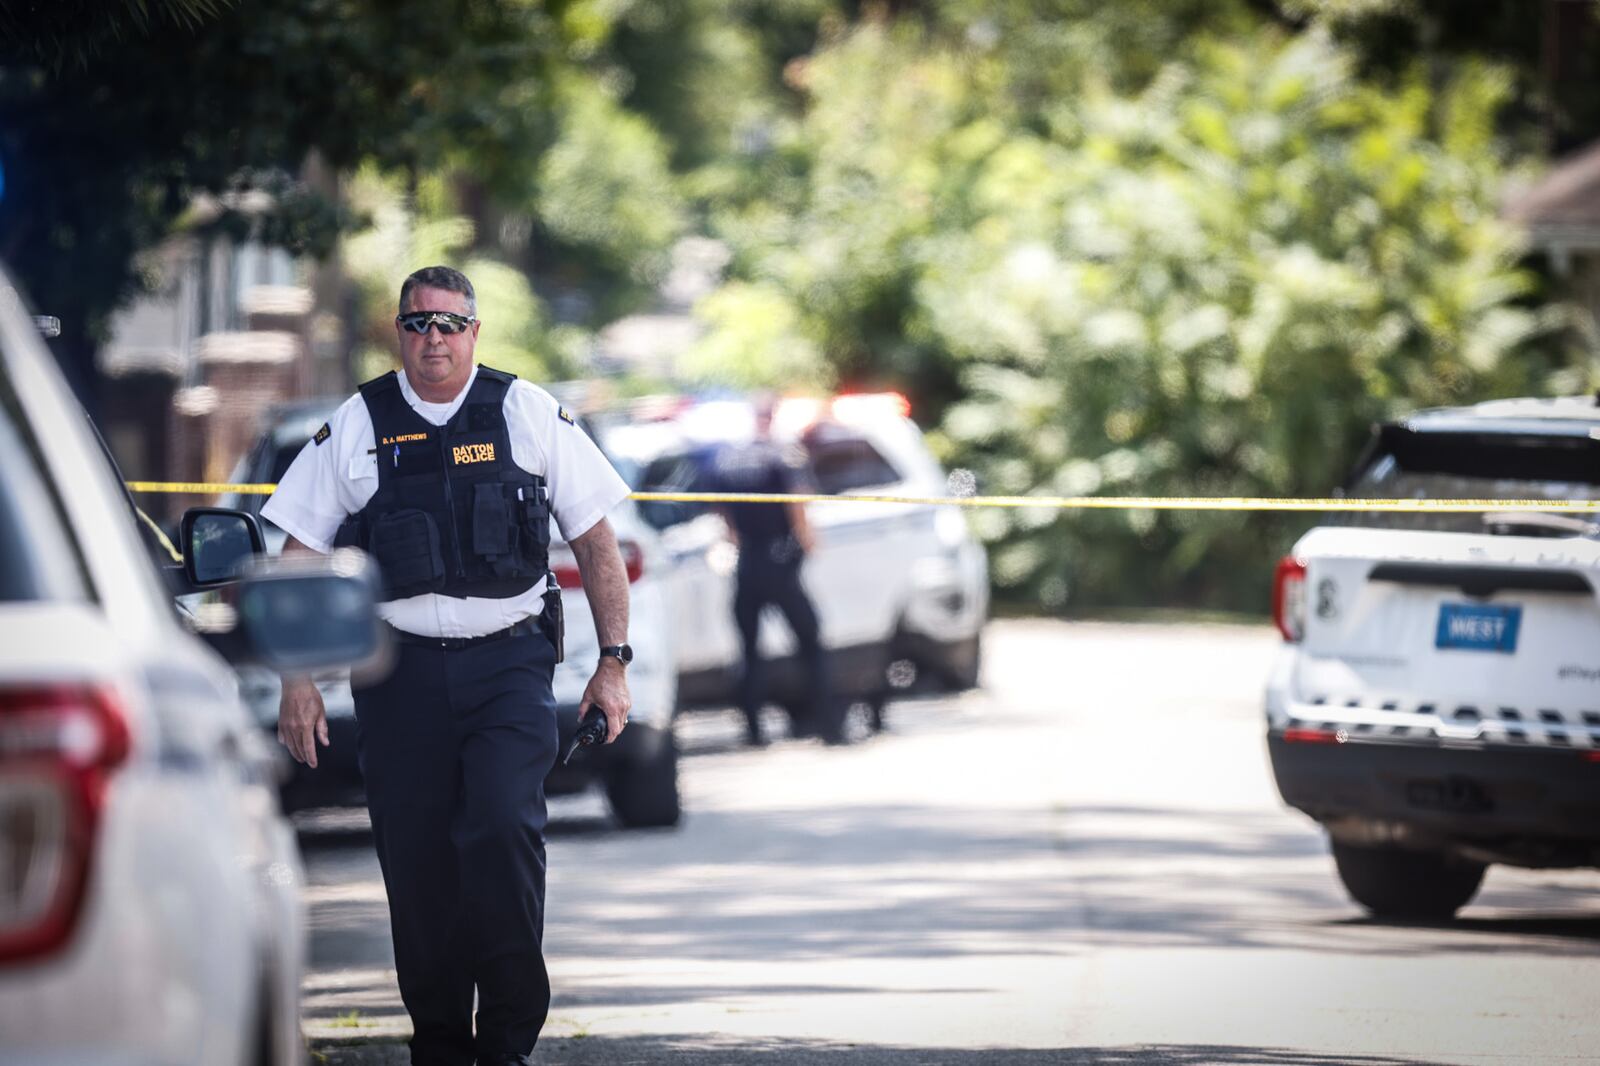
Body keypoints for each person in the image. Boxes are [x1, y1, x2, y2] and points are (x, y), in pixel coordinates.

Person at [262, 265, 633, 1066]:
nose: (435, 339)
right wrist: (297, 679)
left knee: (502, 829)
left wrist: (613, 663)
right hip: (398, 678)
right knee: (418, 860)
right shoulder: (359, 422)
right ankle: (438, 1042)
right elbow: (297, 551)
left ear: (475, 330)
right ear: (399, 332)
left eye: (450, 324)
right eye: (419, 324)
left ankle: (504, 1043)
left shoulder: (527, 412)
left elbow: (597, 543)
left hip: (509, 667)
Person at [706, 397, 839, 746]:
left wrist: (736, 544)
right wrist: (808, 544)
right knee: (811, 642)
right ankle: (829, 726)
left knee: (749, 650)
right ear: (773, 417)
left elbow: (725, 515)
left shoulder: (728, 459)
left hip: (747, 561)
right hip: (780, 561)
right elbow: (797, 505)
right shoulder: (784, 454)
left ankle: (753, 730)